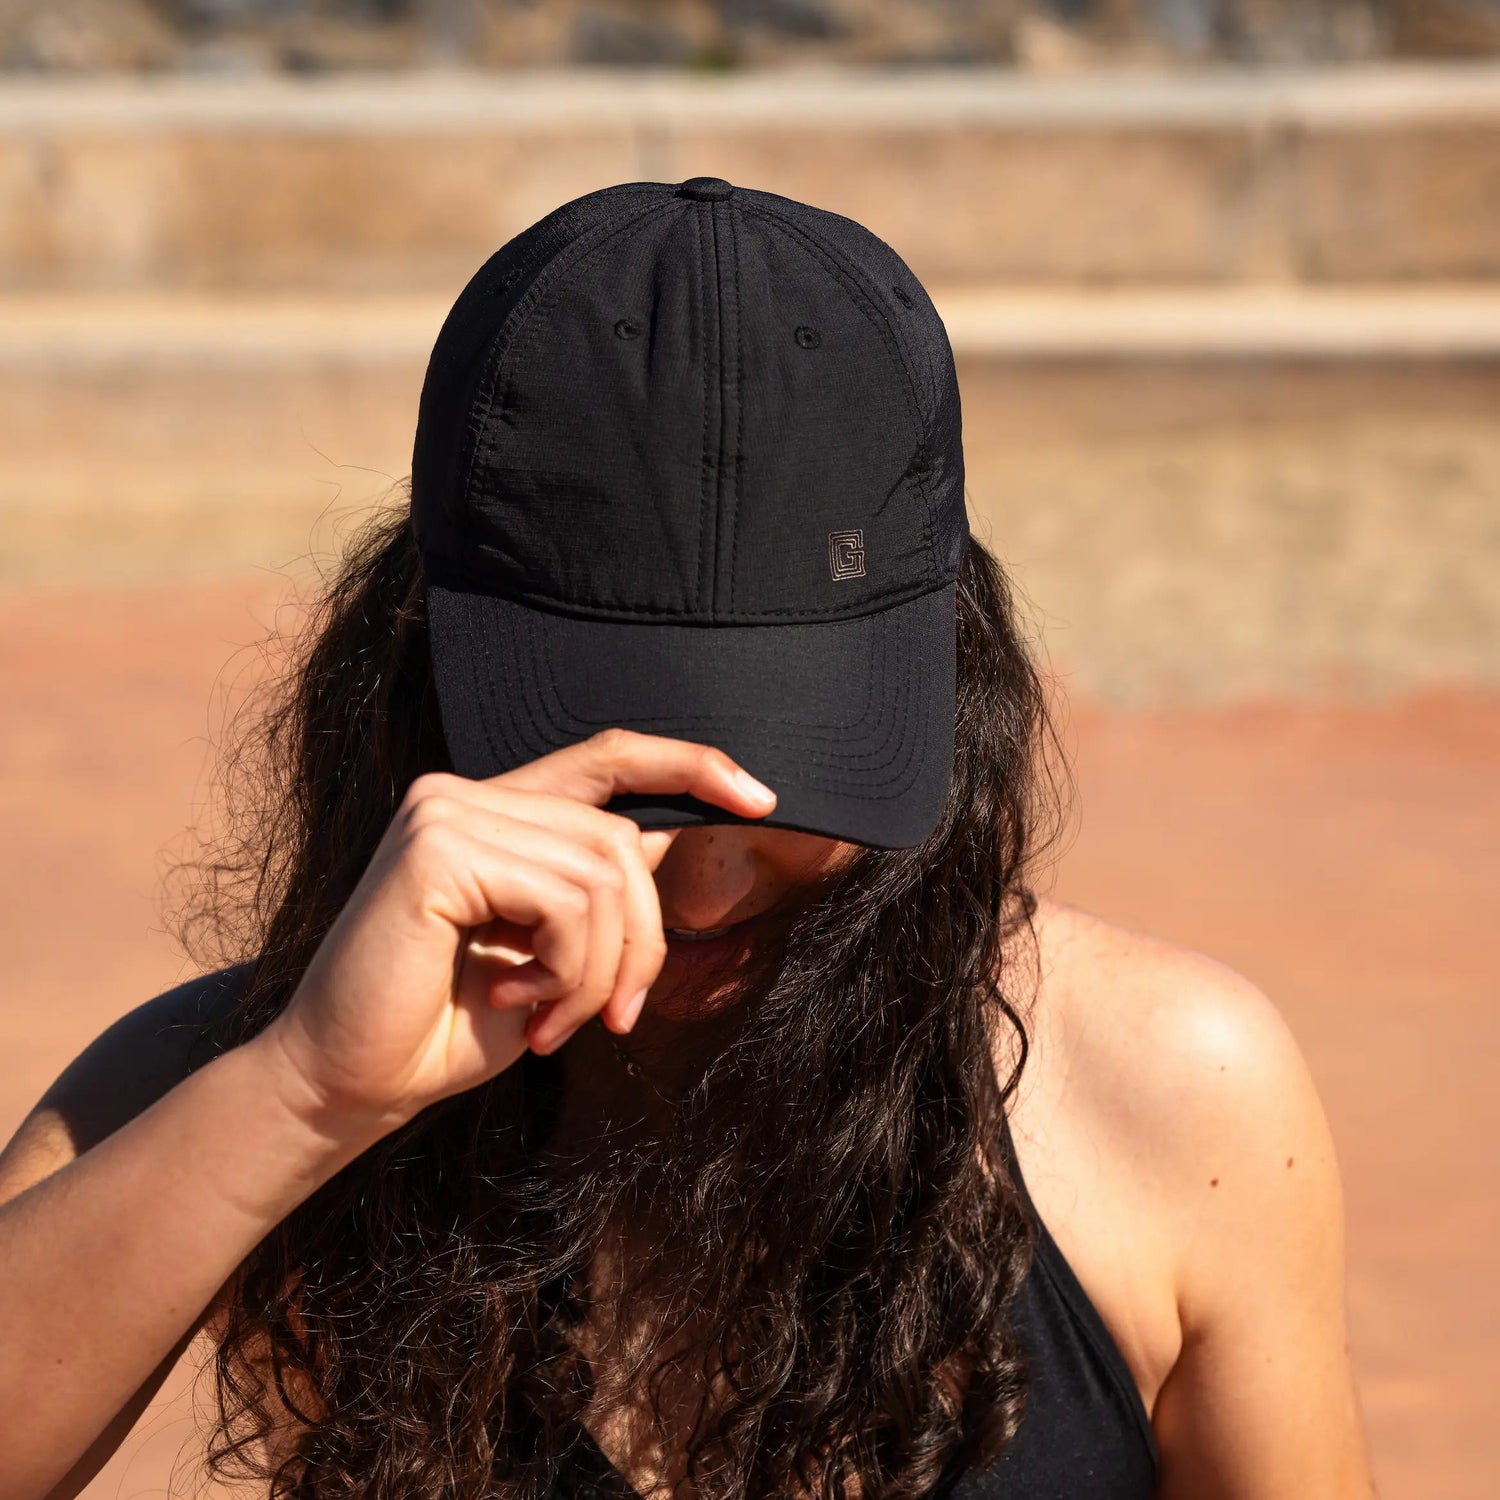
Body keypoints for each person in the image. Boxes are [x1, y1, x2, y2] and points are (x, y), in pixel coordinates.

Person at [0, 179, 1377, 1500]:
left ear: (948, 690)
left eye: (792, 778)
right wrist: (306, 1100)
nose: (705, 886)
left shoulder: (1170, 1090)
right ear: (423, 689)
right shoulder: (240, 1085)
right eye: (624, 785)